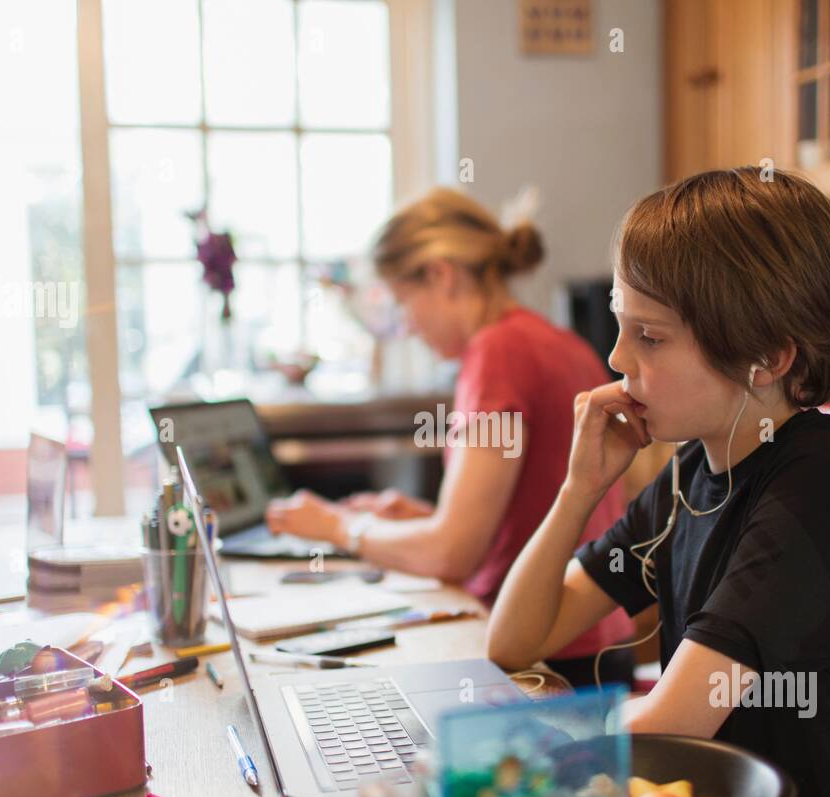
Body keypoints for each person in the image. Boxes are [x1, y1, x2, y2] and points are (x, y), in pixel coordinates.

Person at [486, 167, 830, 797]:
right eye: (620, 324)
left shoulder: (825, 478)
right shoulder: (692, 469)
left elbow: (670, 724)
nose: (615, 356)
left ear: (768, 357)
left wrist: (515, 750)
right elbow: (513, 641)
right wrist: (578, 491)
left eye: (649, 337)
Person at [266, 188, 632, 687]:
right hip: (590, 644)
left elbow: (451, 553)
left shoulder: (498, 354)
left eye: (402, 302)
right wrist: (422, 519)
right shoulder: (552, 341)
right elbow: (524, 513)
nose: (408, 326)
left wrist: (335, 527)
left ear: (441, 275)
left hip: (547, 657)